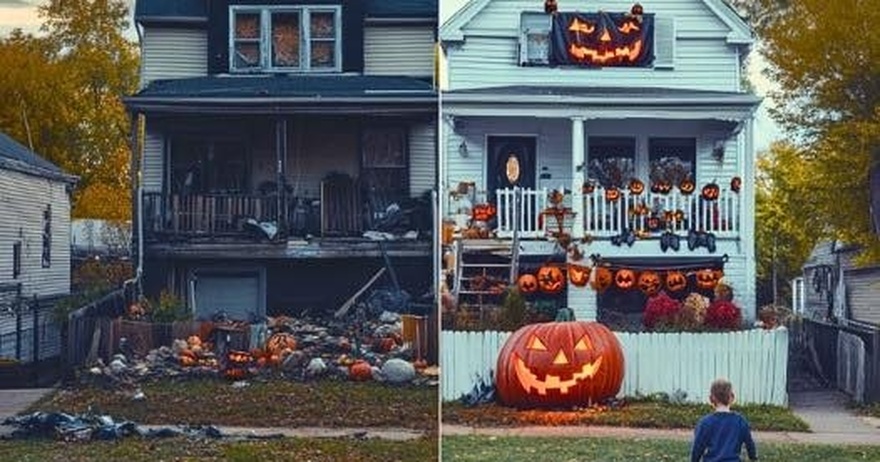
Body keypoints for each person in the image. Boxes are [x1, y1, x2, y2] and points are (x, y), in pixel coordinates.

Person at [691, 377, 758, 462]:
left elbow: (697, 448)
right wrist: (753, 457)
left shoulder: (704, 422)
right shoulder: (740, 421)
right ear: (732, 397)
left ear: (711, 398)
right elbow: (750, 444)